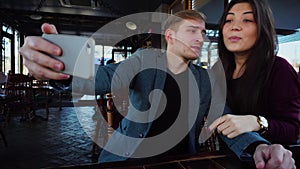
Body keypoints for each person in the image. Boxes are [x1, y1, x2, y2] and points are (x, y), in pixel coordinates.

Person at [20, 10, 296, 169]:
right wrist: (64, 73)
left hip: (178, 160)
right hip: (125, 160)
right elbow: (101, 79)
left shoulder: (205, 79)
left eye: (202, 32)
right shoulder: (142, 60)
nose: (200, 38)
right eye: (192, 31)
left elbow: (225, 121)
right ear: (170, 36)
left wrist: (258, 146)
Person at [209, 0, 300, 146]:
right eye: (229, 20)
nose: (235, 27)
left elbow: (292, 130)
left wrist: (257, 122)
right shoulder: (217, 70)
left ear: (262, 28)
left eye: (247, 20)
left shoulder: (279, 68)